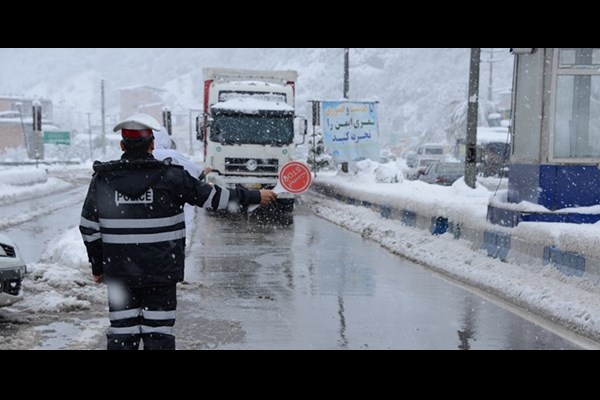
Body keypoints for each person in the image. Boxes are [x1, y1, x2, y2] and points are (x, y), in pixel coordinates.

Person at [79, 113, 277, 350]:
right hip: (161, 275)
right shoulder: (173, 177)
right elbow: (213, 197)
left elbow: (89, 228)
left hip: (121, 275)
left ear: (122, 145)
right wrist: (255, 195)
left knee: (122, 335)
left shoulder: (103, 181)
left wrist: (99, 266)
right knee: (159, 335)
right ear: (152, 145)